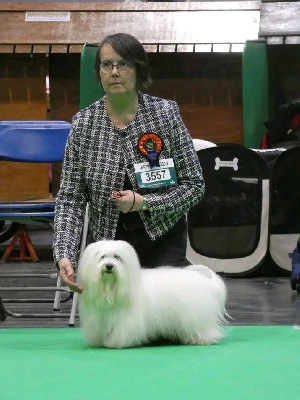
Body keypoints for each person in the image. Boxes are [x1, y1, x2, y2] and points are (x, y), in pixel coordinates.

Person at [53, 33, 205, 292]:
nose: (115, 72)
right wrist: (64, 252)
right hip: (109, 250)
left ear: (138, 70)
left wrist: (144, 203)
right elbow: (70, 199)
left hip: (162, 238)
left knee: (163, 331)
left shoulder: (165, 114)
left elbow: (194, 185)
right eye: (106, 64)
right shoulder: (83, 124)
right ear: (99, 72)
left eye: (124, 64)